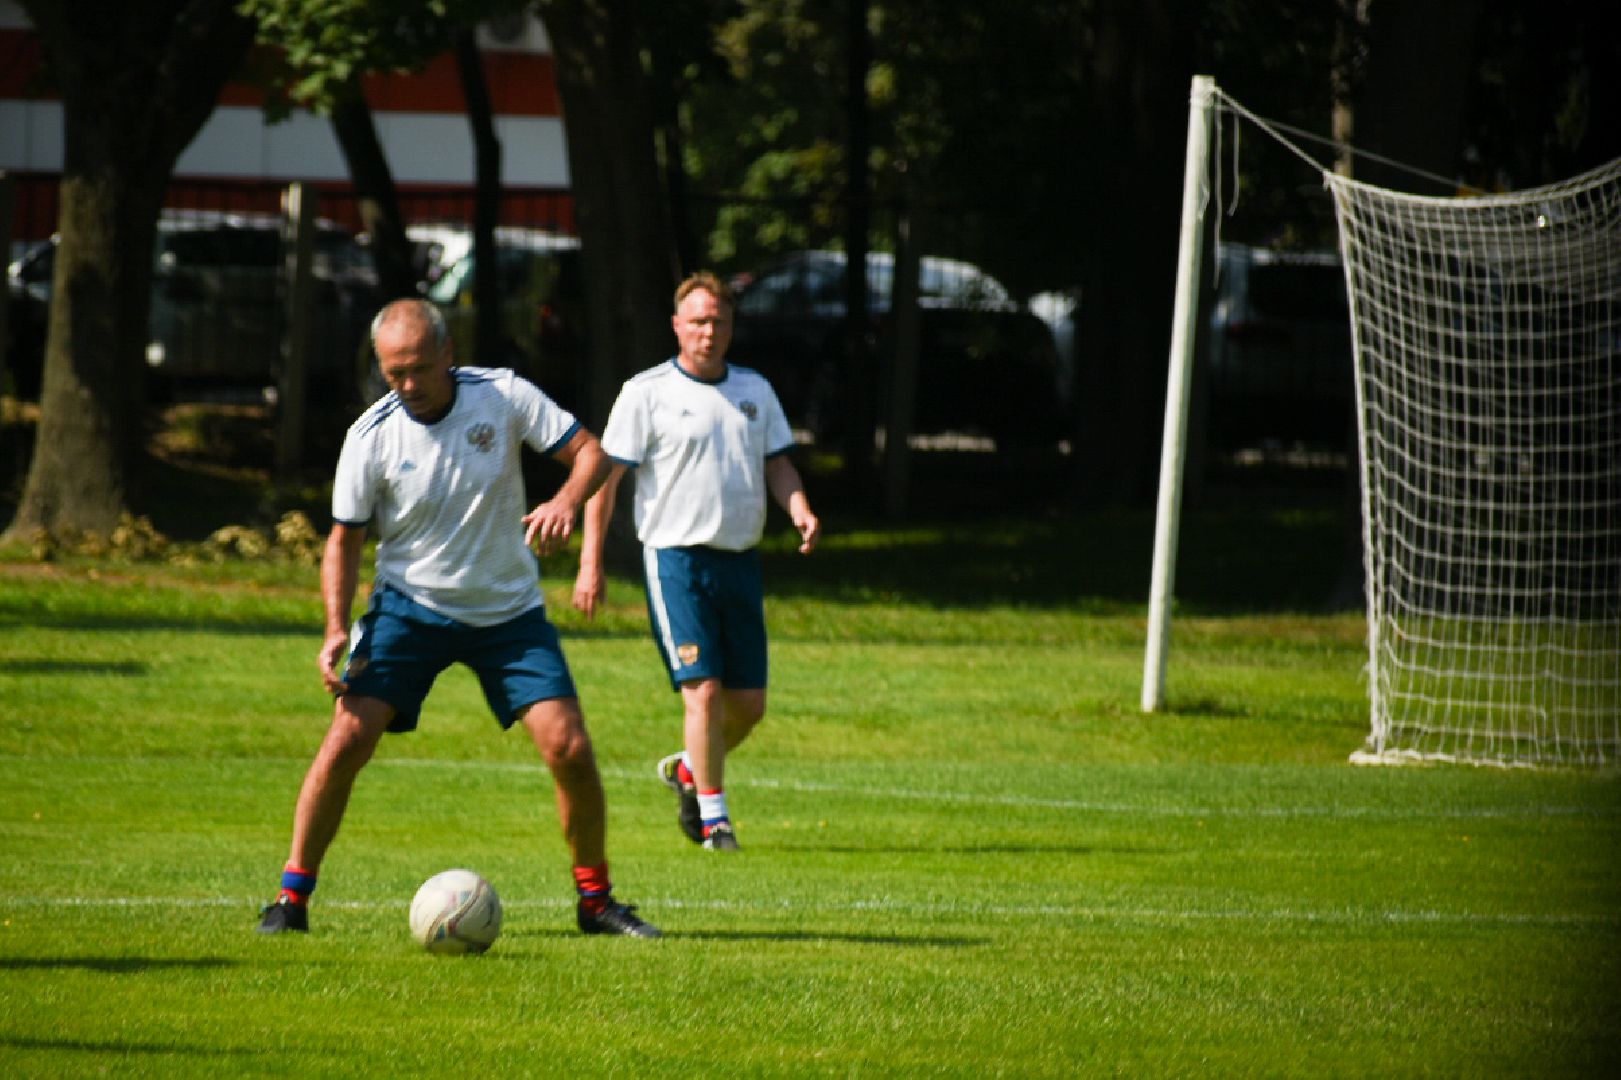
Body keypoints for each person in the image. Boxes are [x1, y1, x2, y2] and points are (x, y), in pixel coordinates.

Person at [257, 298, 659, 938]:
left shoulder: (501, 396)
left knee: (570, 747)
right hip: (408, 609)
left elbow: (591, 453)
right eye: (394, 373)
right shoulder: (371, 437)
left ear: (448, 353)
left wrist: (563, 502)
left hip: (509, 613)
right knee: (345, 742)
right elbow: (345, 541)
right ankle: (290, 898)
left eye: (418, 368)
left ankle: (596, 901)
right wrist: (337, 627)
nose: (408, 385)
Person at [572, 271, 820, 851]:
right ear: (677, 326)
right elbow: (604, 481)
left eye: (720, 322)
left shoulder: (754, 391)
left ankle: (689, 769)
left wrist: (800, 506)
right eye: (700, 321)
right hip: (676, 560)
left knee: (749, 706)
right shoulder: (647, 392)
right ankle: (715, 819)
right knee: (703, 692)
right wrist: (591, 563)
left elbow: (778, 464)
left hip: (739, 561)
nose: (710, 332)